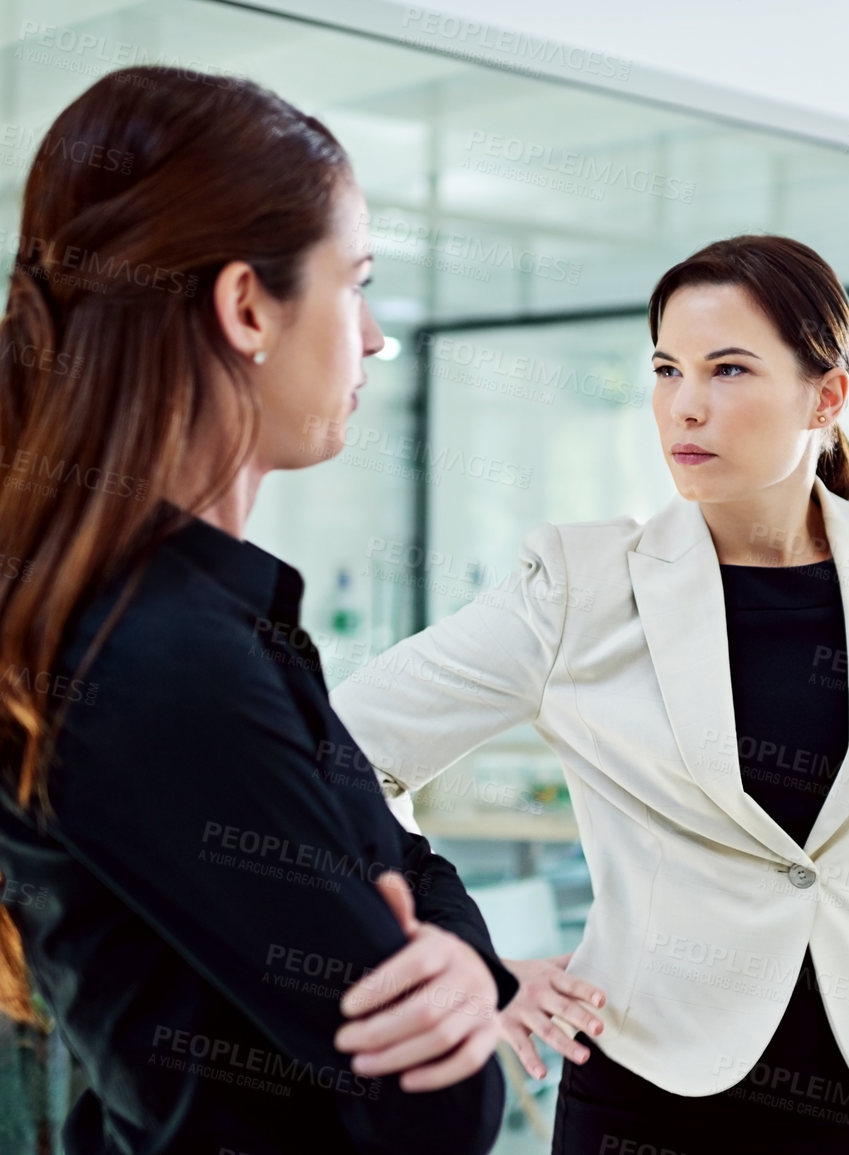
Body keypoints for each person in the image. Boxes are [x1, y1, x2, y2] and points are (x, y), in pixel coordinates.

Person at [329, 234, 849, 1154]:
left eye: (727, 369)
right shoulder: (579, 582)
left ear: (826, 395)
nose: (684, 404)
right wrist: (468, 955)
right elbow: (335, 751)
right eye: (666, 368)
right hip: (648, 1090)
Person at [0, 67, 517, 1155]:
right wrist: (452, 964)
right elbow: (435, 1108)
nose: (374, 337)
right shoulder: (156, 660)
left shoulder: (198, 621)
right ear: (247, 307)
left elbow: (413, 871)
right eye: (355, 281)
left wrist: (459, 954)